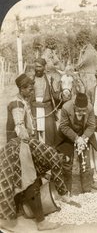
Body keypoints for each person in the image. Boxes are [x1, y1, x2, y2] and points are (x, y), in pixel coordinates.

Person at [1, 73, 70, 231]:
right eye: (30, 89)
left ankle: (22, 210)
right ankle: (41, 221)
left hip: (19, 146)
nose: (32, 92)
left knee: (23, 180)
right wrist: (33, 144)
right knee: (30, 179)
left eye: (33, 89)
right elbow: (19, 126)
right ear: (22, 89)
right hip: (18, 147)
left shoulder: (23, 101)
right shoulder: (17, 104)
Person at [56, 92, 97, 194]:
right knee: (67, 164)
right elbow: (63, 126)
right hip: (67, 136)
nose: (81, 113)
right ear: (74, 106)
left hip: (83, 136)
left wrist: (83, 138)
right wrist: (76, 138)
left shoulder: (89, 108)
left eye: (83, 111)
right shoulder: (66, 107)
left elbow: (92, 125)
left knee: (86, 164)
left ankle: (86, 191)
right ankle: (66, 192)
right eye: (79, 110)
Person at [31, 58, 60, 146]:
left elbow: (55, 95)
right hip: (34, 109)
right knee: (34, 133)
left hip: (47, 109)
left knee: (49, 134)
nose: (38, 69)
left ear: (44, 67)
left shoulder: (50, 79)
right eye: (36, 67)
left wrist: (62, 95)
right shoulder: (30, 79)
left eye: (40, 67)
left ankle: (49, 155)